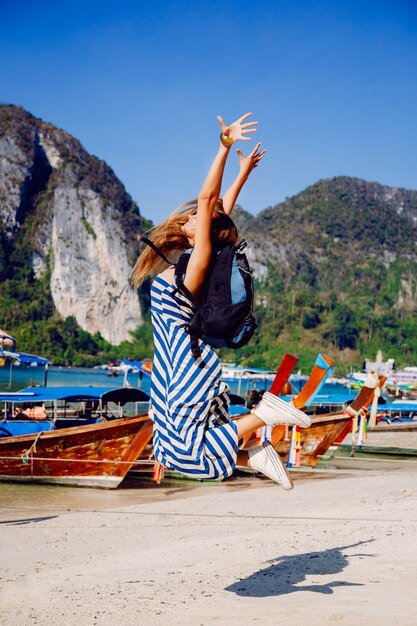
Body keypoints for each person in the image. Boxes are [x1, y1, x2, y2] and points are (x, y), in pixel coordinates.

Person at [132, 112, 311, 490]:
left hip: (185, 372)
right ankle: (251, 455)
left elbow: (209, 200)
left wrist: (224, 147)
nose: (193, 216)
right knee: (167, 451)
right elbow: (219, 210)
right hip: (171, 375)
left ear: (203, 234)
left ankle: (263, 415)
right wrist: (243, 175)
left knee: (187, 454)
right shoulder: (198, 258)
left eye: (197, 217)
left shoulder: (196, 264)